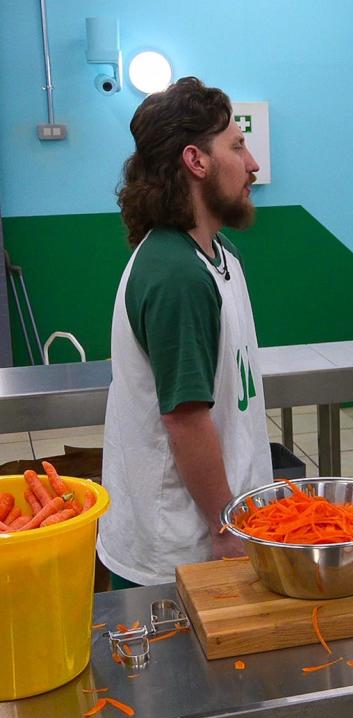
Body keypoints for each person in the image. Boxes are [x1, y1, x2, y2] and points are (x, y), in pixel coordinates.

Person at [97, 77, 272, 588]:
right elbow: (187, 421)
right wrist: (224, 526)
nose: (253, 164)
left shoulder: (220, 258)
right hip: (178, 555)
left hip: (225, 529)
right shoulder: (175, 274)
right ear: (196, 161)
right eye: (237, 146)